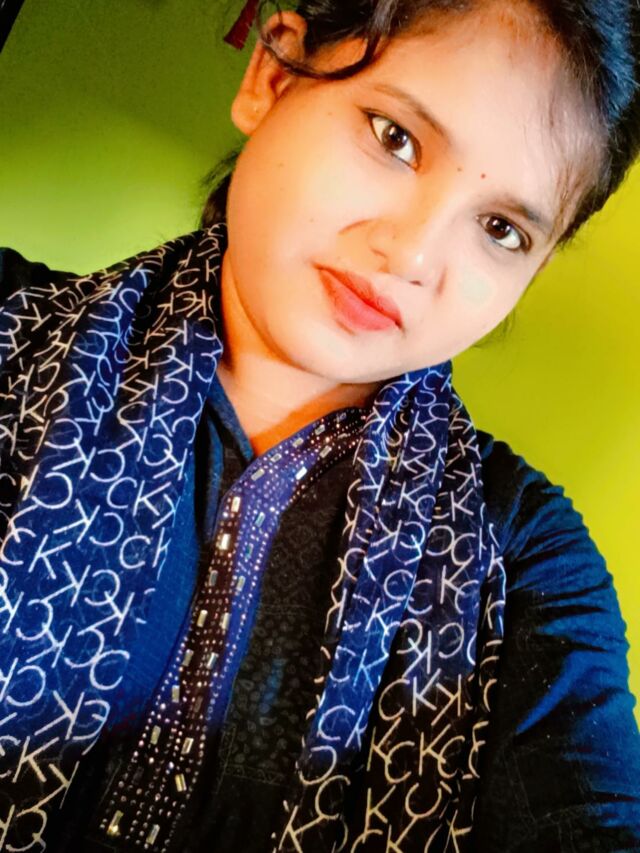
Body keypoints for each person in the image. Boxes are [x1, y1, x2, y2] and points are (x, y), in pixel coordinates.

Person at [0, 0, 639, 850]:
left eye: (501, 229)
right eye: (395, 137)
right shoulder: (13, 334)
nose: (413, 254)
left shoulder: (523, 560)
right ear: (272, 75)